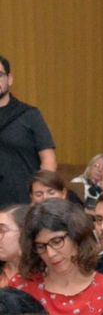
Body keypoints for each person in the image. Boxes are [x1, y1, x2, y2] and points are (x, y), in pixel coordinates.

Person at [18, 199, 103, 315]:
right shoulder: (21, 286)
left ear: (77, 236)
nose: (50, 254)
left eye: (57, 241)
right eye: (40, 246)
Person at [0, 56, 57, 207]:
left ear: (9, 79)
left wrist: (41, 197)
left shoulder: (29, 115)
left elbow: (48, 160)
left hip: (24, 203)